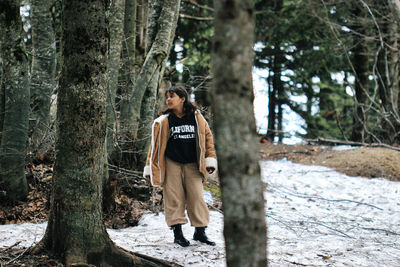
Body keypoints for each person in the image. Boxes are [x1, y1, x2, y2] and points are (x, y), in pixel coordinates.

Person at [143, 85, 218, 247]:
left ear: (182, 99)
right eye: (167, 97)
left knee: (197, 197)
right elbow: (154, 146)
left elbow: (208, 138)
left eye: (172, 96)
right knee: (174, 198)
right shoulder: (164, 121)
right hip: (172, 163)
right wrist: (150, 167)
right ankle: (178, 234)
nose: (168, 99)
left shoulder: (196, 117)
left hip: (193, 163)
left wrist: (210, 159)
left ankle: (200, 232)